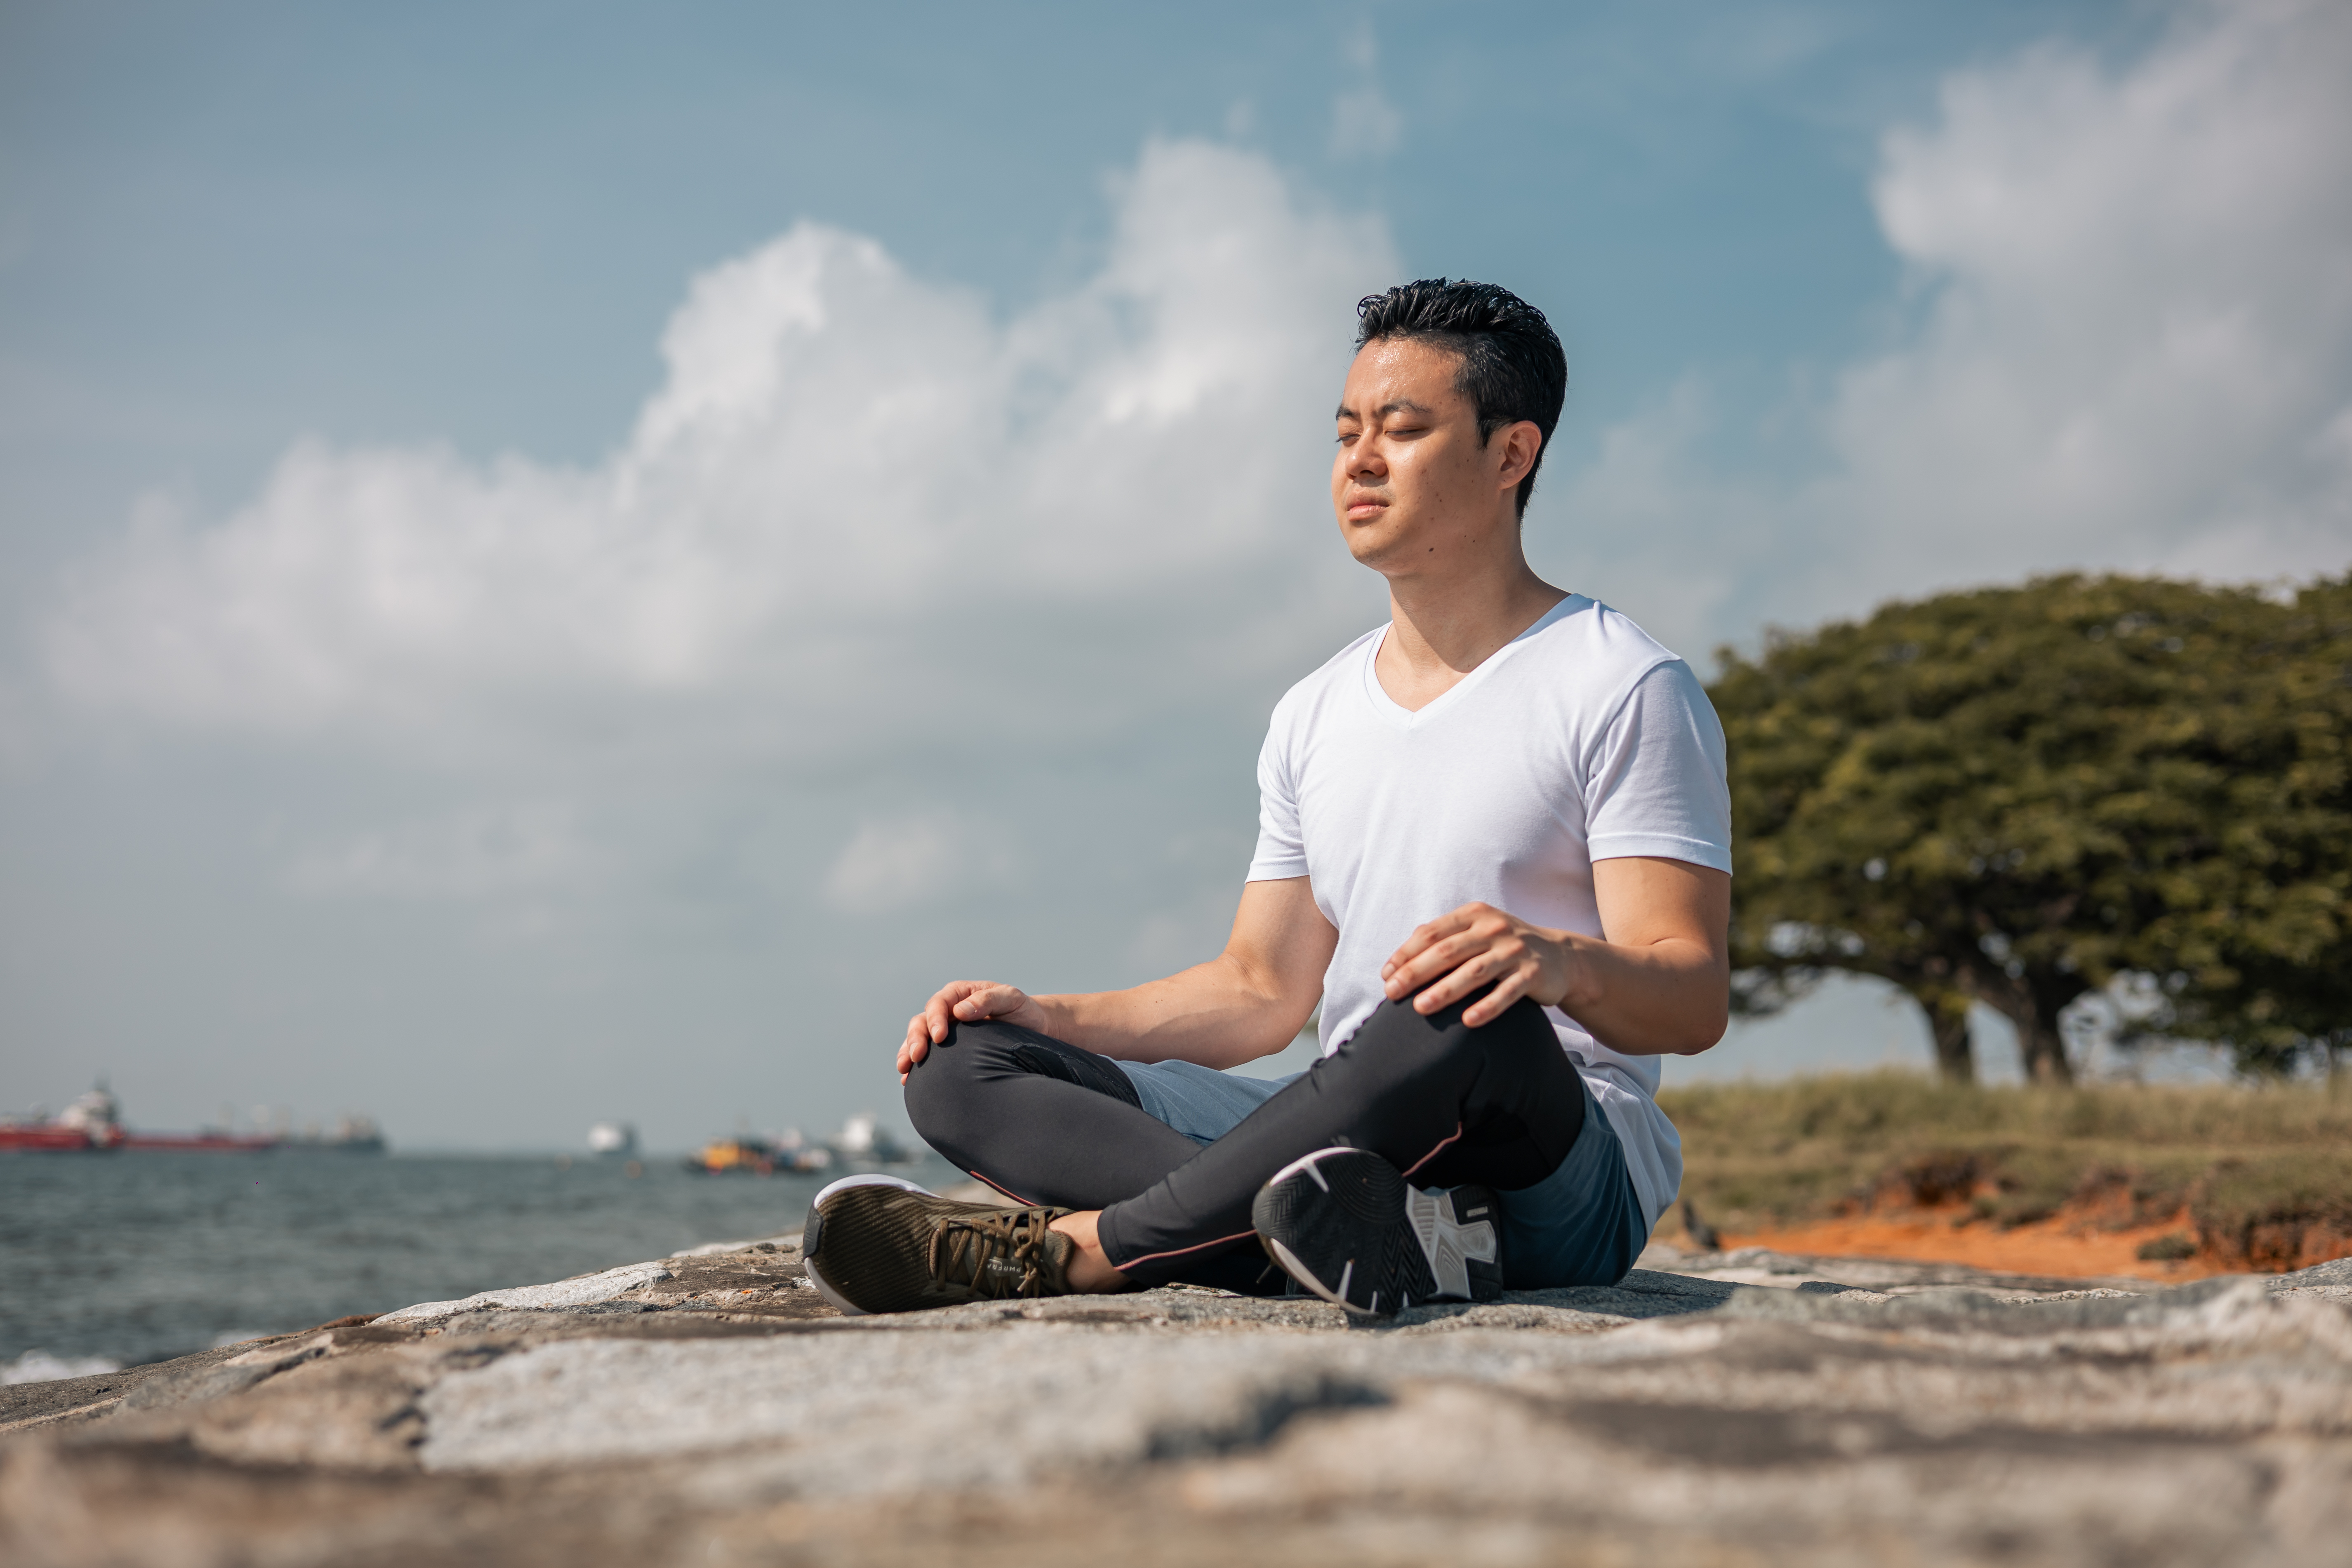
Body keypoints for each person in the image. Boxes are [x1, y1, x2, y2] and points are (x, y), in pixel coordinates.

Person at [800, 279, 1732, 1317]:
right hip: (1348, 1132)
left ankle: (1092, 1250)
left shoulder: (1619, 682)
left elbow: (1689, 996)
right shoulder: (1314, 709)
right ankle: (1333, 1233)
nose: (1360, 461)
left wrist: (1552, 959)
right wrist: (1050, 1015)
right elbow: (1260, 989)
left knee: (1456, 1010)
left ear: (1510, 455)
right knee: (962, 1060)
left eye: (1404, 429)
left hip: (1551, 1165)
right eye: (1345, 433)